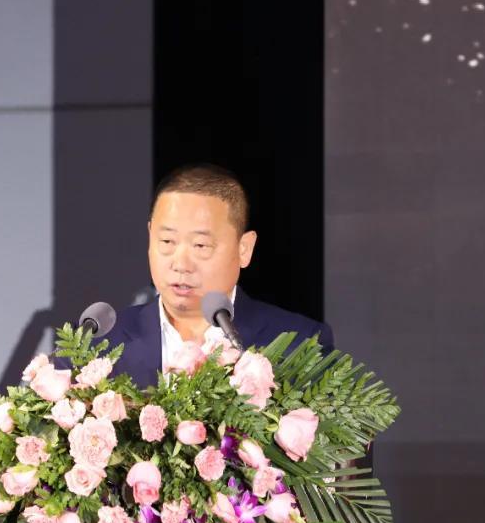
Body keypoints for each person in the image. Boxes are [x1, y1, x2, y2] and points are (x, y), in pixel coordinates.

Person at [103, 163, 333, 388]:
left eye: (200, 245)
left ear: (244, 249)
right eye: (166, 241)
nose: (180, 264)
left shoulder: (300, 344)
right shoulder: (100, 343)